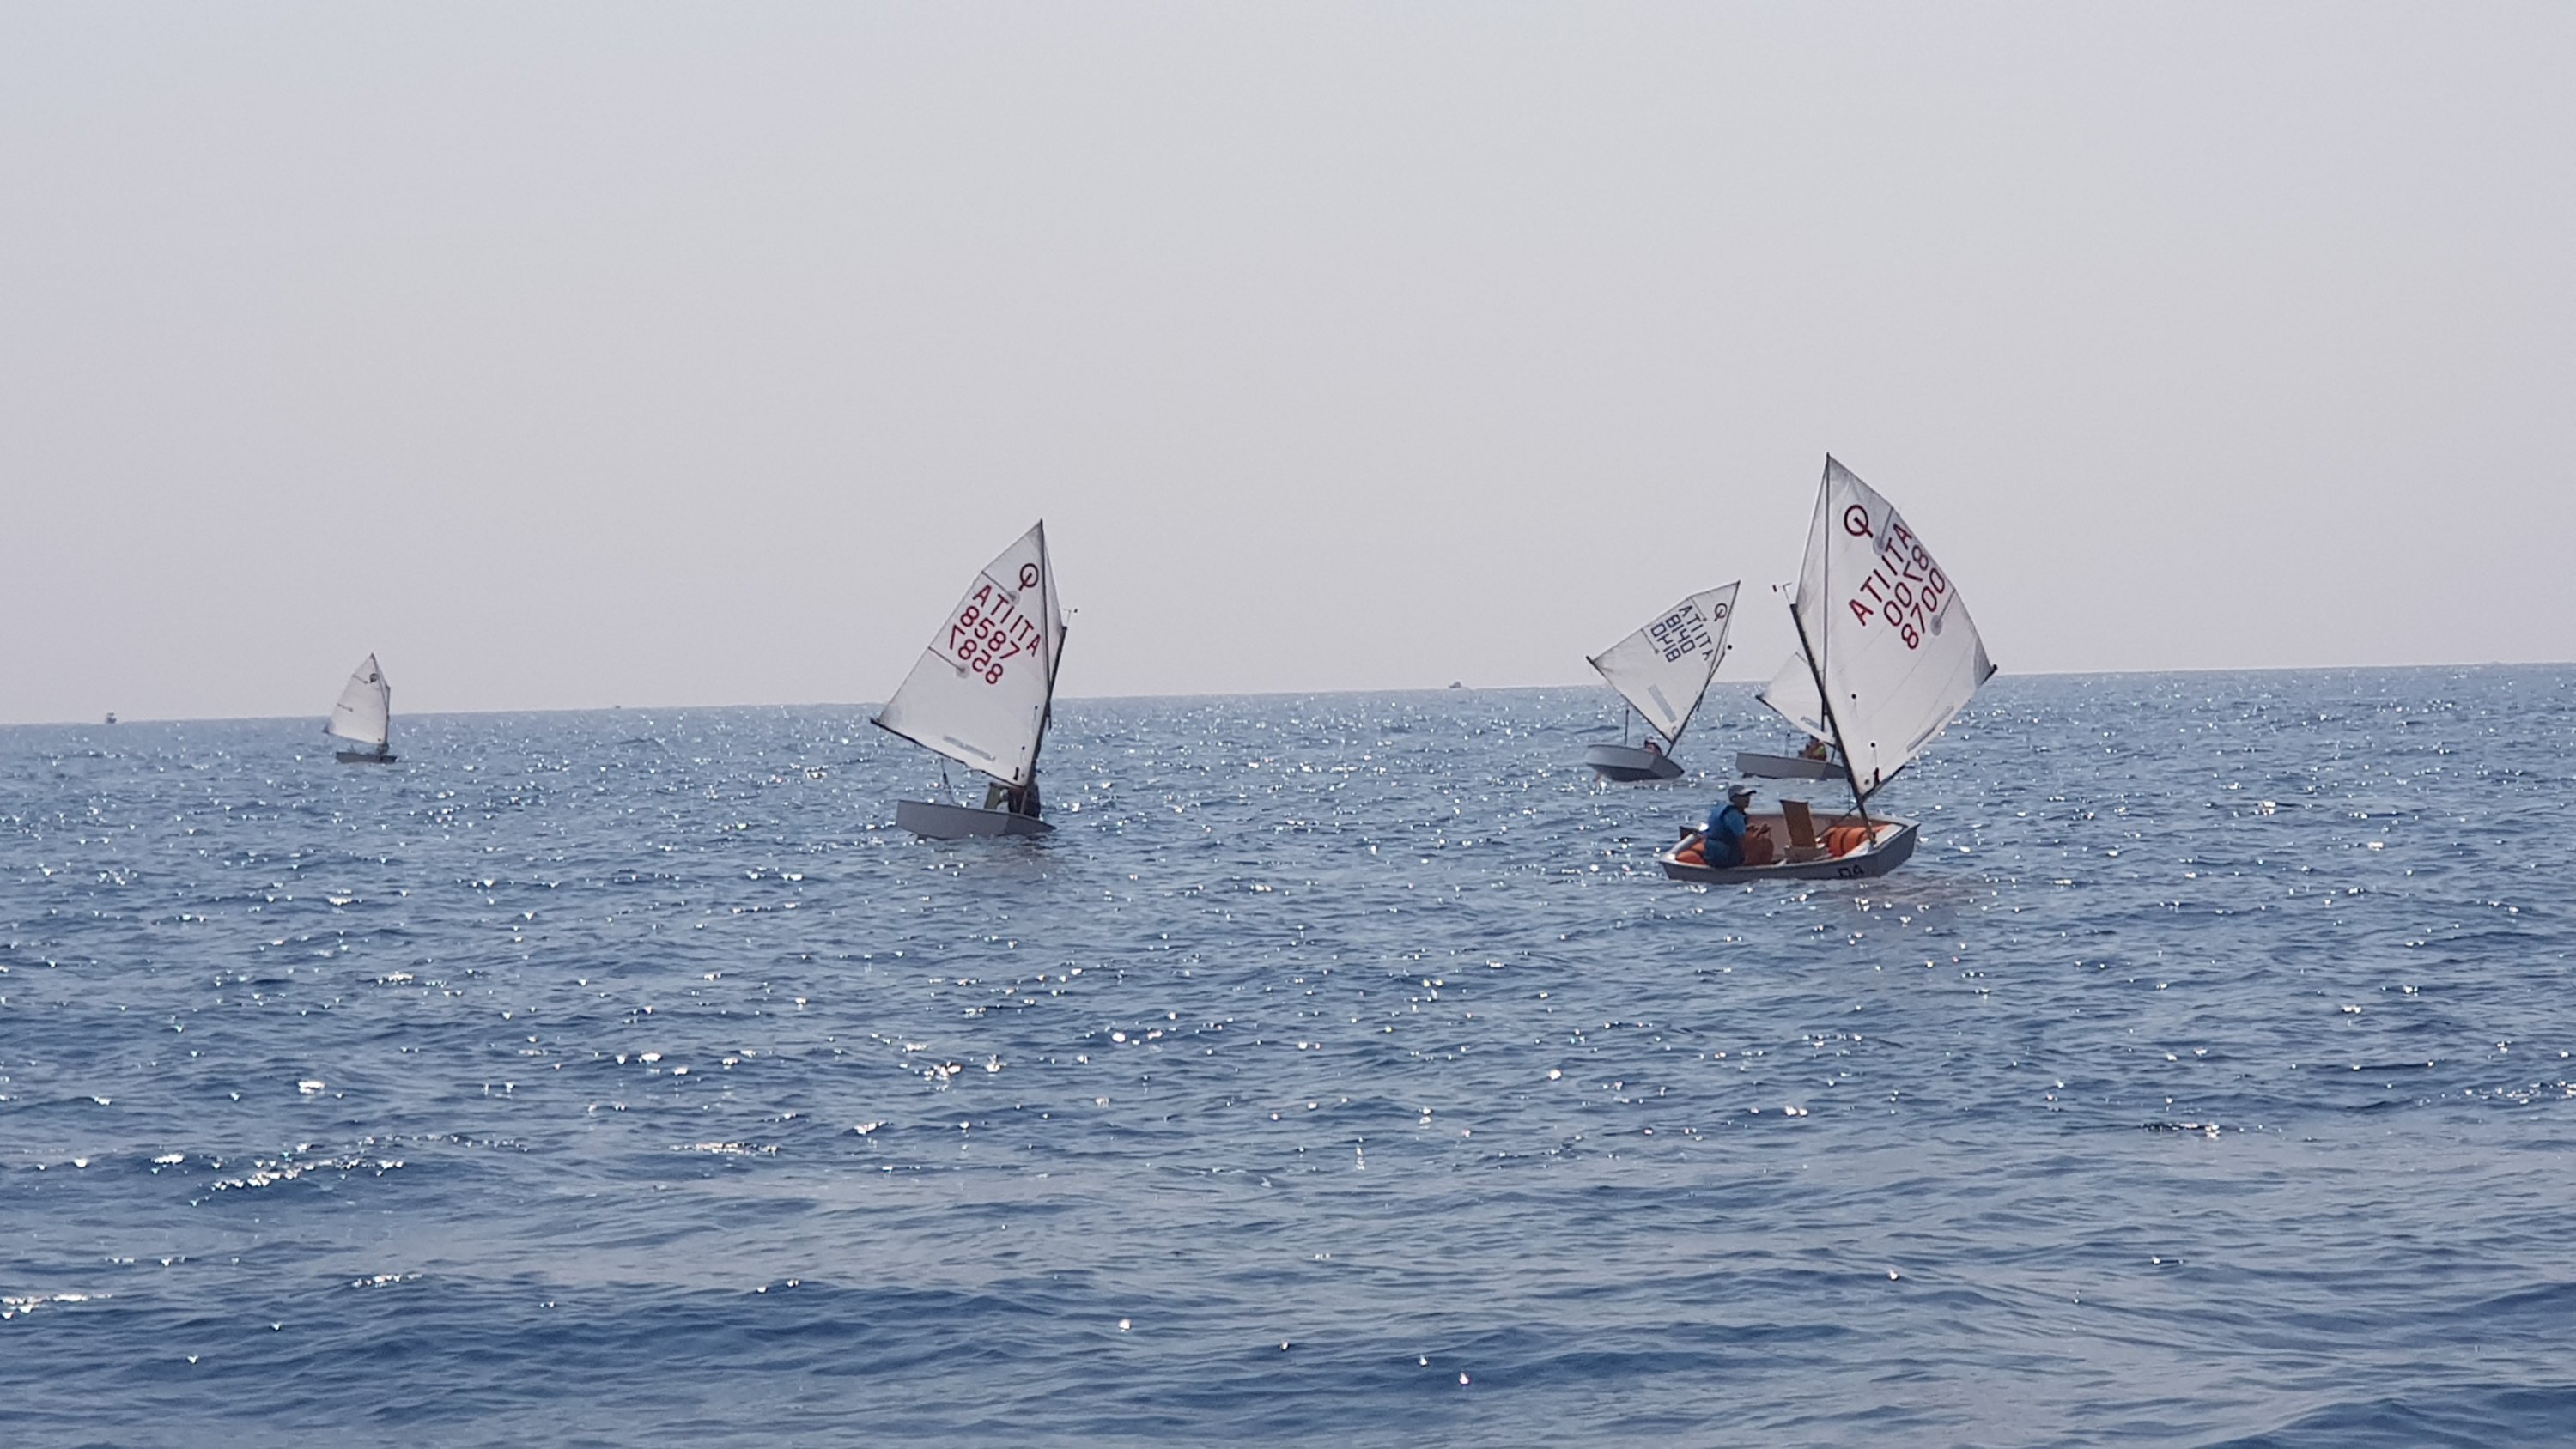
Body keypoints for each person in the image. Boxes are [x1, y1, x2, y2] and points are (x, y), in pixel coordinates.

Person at [1700, 784, 1755, 867]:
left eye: (1748, 796)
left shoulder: (1721, 809)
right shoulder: (1734, 815)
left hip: (1712, 855)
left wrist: (1747, 829)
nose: (1747, 799)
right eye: (1743, 796)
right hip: (1726, 857)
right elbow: (1742, 840)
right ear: (1733, 799)